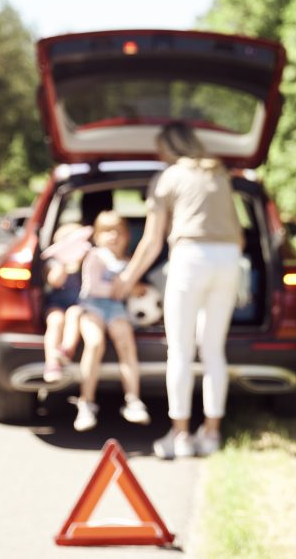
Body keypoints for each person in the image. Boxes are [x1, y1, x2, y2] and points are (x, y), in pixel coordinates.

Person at [111, 122, 243, 459]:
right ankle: (211, 434)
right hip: (229, 261)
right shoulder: (219, 173)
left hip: (191, 258)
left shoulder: (169, 177)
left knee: (181, 351)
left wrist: (128, 277)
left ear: (169, 148)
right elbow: (240, 235)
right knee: (213, 350)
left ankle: (181, 436)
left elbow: (153, 241)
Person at [72, 210, 151, 432]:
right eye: (107, 232)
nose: (113, 237)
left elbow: (135, 289)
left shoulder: (127, 262)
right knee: (95, 342)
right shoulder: (95, 257)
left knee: (126, 341)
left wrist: (132, 289)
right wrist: (121, 289)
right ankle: (86, 402)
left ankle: (133, 400)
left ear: (127, 237)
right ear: (97, 237)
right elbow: (93, 287)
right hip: (91, 306)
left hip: (116, 309)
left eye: (118, 232)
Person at [40, 223, 88, 383]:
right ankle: (52, 363)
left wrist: (82, 259)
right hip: (57, 303)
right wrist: (64, 262)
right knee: (56, 321)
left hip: (78, 304)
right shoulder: (54, 262)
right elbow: (55, 282)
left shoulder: (87, 259)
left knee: (73, 315)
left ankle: (66, 350)